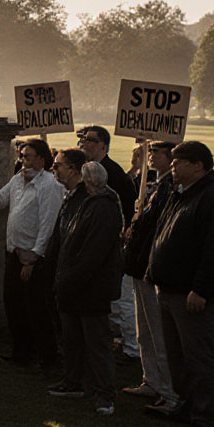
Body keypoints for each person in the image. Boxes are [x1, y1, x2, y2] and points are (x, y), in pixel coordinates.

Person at [146, 141, 214, 427]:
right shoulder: (180, 193)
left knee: (200, 359)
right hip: (170, 290)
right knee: (178, 359)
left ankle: (205, 419)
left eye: (178, 162)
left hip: (192, 295)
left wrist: (200, 290)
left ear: (198, 165)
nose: (172, 166)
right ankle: (186, 406)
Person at [0, 138, 64, 368]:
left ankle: (48, 356)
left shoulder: (50, 186)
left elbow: (47, 224)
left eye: (28, 156)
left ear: (41, 160)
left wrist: (34, 257)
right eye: (21, 156)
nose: (23, 160)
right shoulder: (18, 180)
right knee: (14, 302)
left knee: (36, 307)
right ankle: (22, 350)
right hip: (15, 251)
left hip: (34, 256)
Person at [47, 160, 124, 416]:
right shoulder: (88, 201)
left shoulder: (103, 206)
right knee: (72, 339)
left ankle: (104, 395)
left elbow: (93, 252)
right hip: (73, 284)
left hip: (90, 287)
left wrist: (68, 274)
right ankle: (73, 382)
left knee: (97, 343)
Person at [120, 141, 180, 412]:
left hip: (150, 266)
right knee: (145, 330)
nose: (151, 157)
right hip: (139, 264)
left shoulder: (170, 188)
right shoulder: (157, 184)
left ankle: (169, 390)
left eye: (156, 153)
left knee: (158, 332)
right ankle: (152, 379)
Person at [77, 125, 138, 365]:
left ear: (104, 144)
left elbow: (129, 204)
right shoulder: (88, 169)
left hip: (116, 241)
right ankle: (118, 338)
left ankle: (132, 346)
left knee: (123, 297)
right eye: (83, 139)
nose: (85, 143)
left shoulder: (113, 171)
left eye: (91, 140)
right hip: (98, 241)